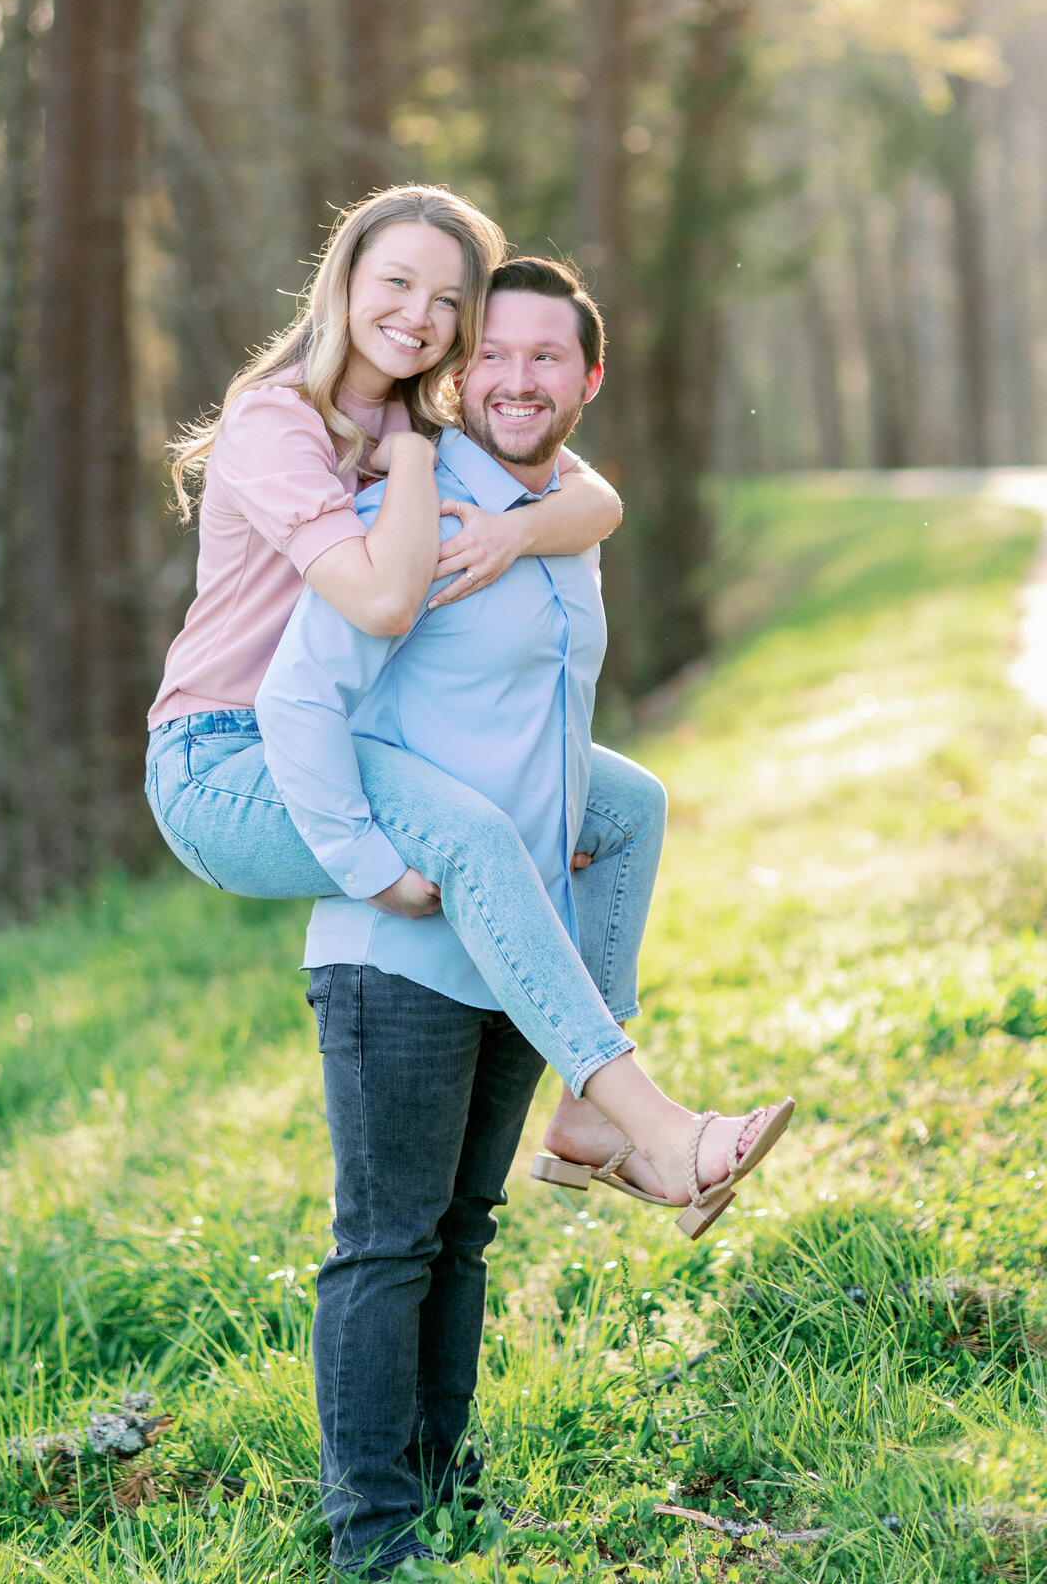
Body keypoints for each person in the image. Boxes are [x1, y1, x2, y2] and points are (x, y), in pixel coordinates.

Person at [255, 258, 794, 1577]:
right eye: (491, 355)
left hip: (517, 942)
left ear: (585, 379)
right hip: (399, 948)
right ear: (455, 371)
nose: (514, 378)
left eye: (545, 358)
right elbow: (294, 699)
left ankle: (448, 1497)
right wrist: (367, 864)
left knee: (463, 1235)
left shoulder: (558, 516)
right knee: (386, 1246)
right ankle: (373, 1539)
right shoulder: (412, 513)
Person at [146, 185, 673, 1150]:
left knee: (627, 809)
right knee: (471, 834)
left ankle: (585, 1112)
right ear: (341, 282)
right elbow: (384, 603)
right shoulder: (281, 422)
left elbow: (597, 501)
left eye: (447, 302)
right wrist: (415, 465)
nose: (418, 318)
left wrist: (516, 536)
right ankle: (640, 1116)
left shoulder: (417, 414)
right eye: (396, 283)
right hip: (222, 760)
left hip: (323, 732)